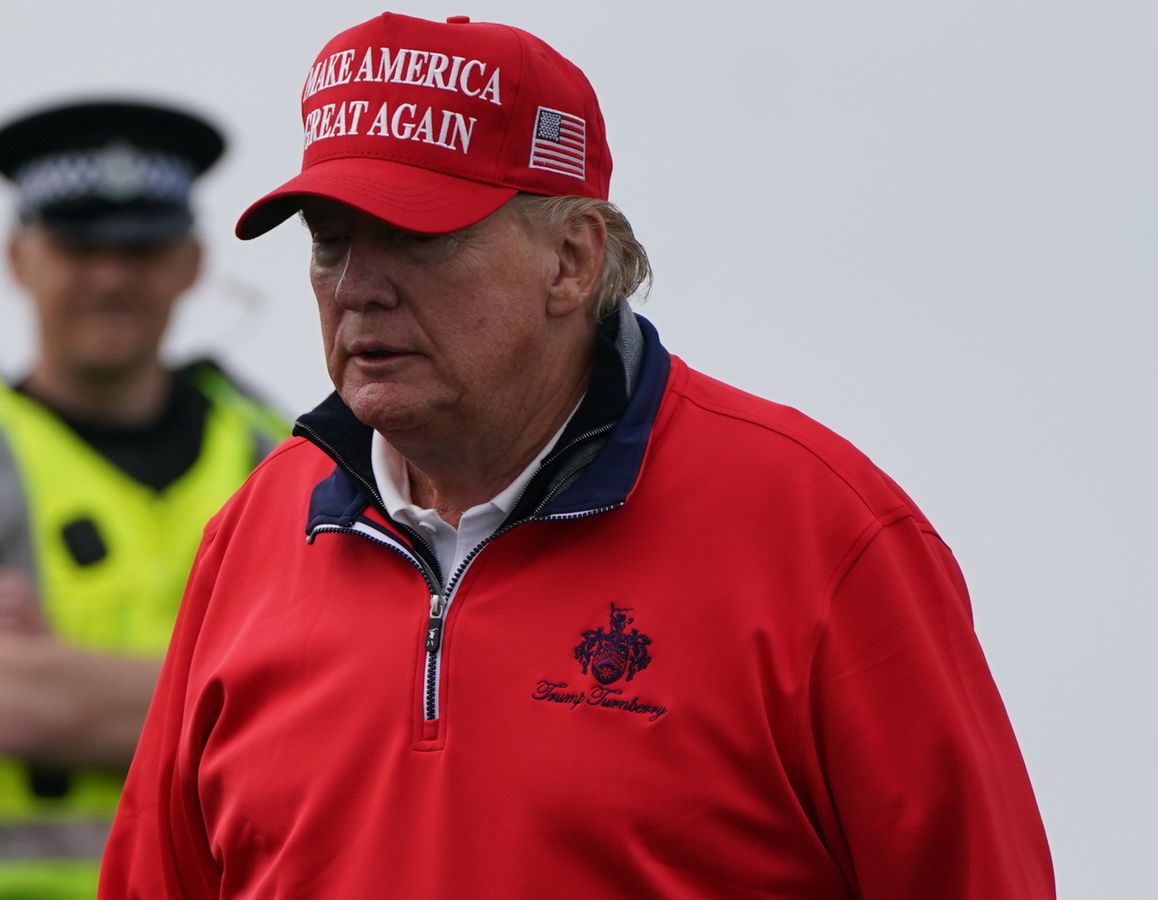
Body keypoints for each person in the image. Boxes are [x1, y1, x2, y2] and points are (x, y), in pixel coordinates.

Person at [98, 13, 1055, 900]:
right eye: (330, 241)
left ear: (572, 259)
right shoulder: (254, 537)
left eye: (414, 238)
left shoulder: (822, 535)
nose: (357, 287)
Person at [0, 98, 286, 900]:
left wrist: (62, 669)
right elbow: (8, 704)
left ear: (192, 262)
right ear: (18, 259)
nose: (111, 277)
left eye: (142, 249)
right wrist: (259, 698)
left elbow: (363, 695)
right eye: (78, 247)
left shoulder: (276, 456)